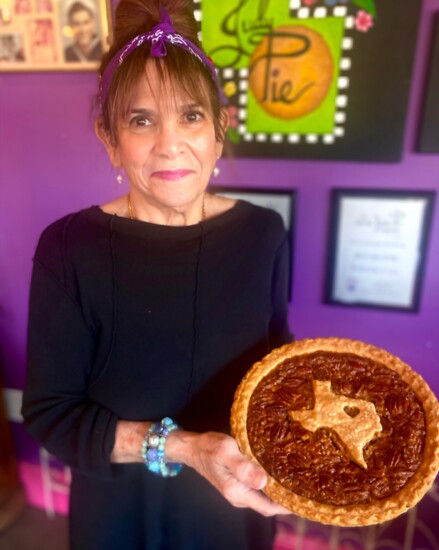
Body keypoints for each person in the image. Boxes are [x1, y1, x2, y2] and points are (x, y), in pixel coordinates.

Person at [22, 0, 293, 548]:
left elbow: (278, 374)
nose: (170, 143)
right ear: (110, 138)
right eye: (141, 120)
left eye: (191, 115)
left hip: (231, 509)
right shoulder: (69, 248)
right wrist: (187, 447)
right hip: (120, 514)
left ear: (219, 129)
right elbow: (51, 415)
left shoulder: (263, 234)